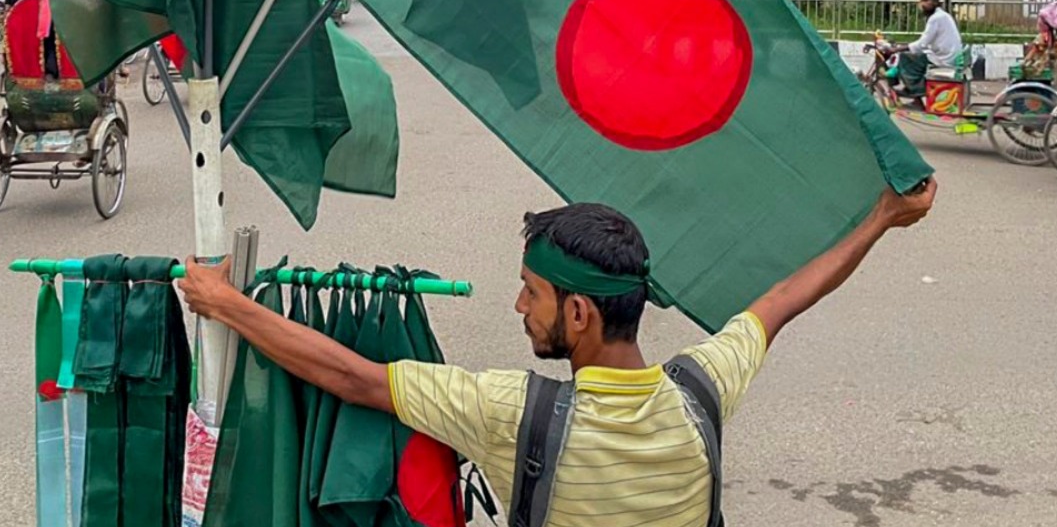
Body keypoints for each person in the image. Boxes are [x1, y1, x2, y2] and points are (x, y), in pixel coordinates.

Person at [180, 185, 936, 527]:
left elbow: (350, 375)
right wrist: (880, 217)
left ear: (577, 312)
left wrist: (225, 302)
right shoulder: (701, 390)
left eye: (529, 292)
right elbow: (780, 301)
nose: (517, 307)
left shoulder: (515, 413)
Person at [891, 0, 963, 98]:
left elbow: (922, 44)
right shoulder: (941, 15)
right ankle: (914, 90)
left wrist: (897, 49)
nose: (923, 4)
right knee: (914, 56)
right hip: (946, 55)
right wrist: (905, 45)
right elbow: (926, 41)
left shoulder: (936, 18)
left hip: (944, 58)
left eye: (926, 0)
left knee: (906, 58)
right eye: (921, 1)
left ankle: (914, 91)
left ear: (935, 2)